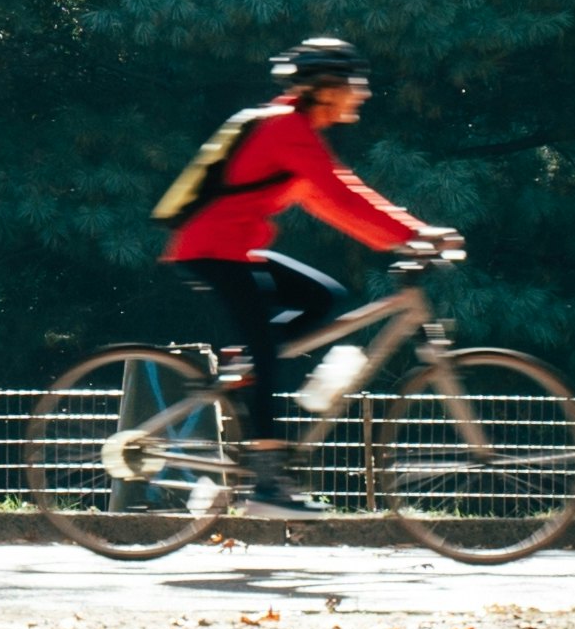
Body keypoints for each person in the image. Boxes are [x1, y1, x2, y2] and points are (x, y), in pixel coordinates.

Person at [166, 38, 455, 498]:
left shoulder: (293, 131)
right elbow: (344, 195)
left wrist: (407, 236)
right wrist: (415, 235)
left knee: (323, 297)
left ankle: (244, 366)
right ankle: (265, 483)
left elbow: (334, 204)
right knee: (265, 353)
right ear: (325, 88)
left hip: (233, 249)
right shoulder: (286, 129)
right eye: (353, 84)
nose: (362, 92)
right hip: (212, 249)